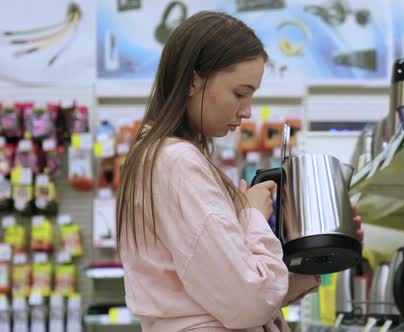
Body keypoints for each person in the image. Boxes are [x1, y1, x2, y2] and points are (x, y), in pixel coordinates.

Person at [116, 11, 364, 332]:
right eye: (240, 93)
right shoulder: (177, 162)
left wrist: (321, 250)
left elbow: (222, 292)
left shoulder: (159, 158)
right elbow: (248, 304)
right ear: (194, 80)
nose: (247, 111)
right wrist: (253, 216)